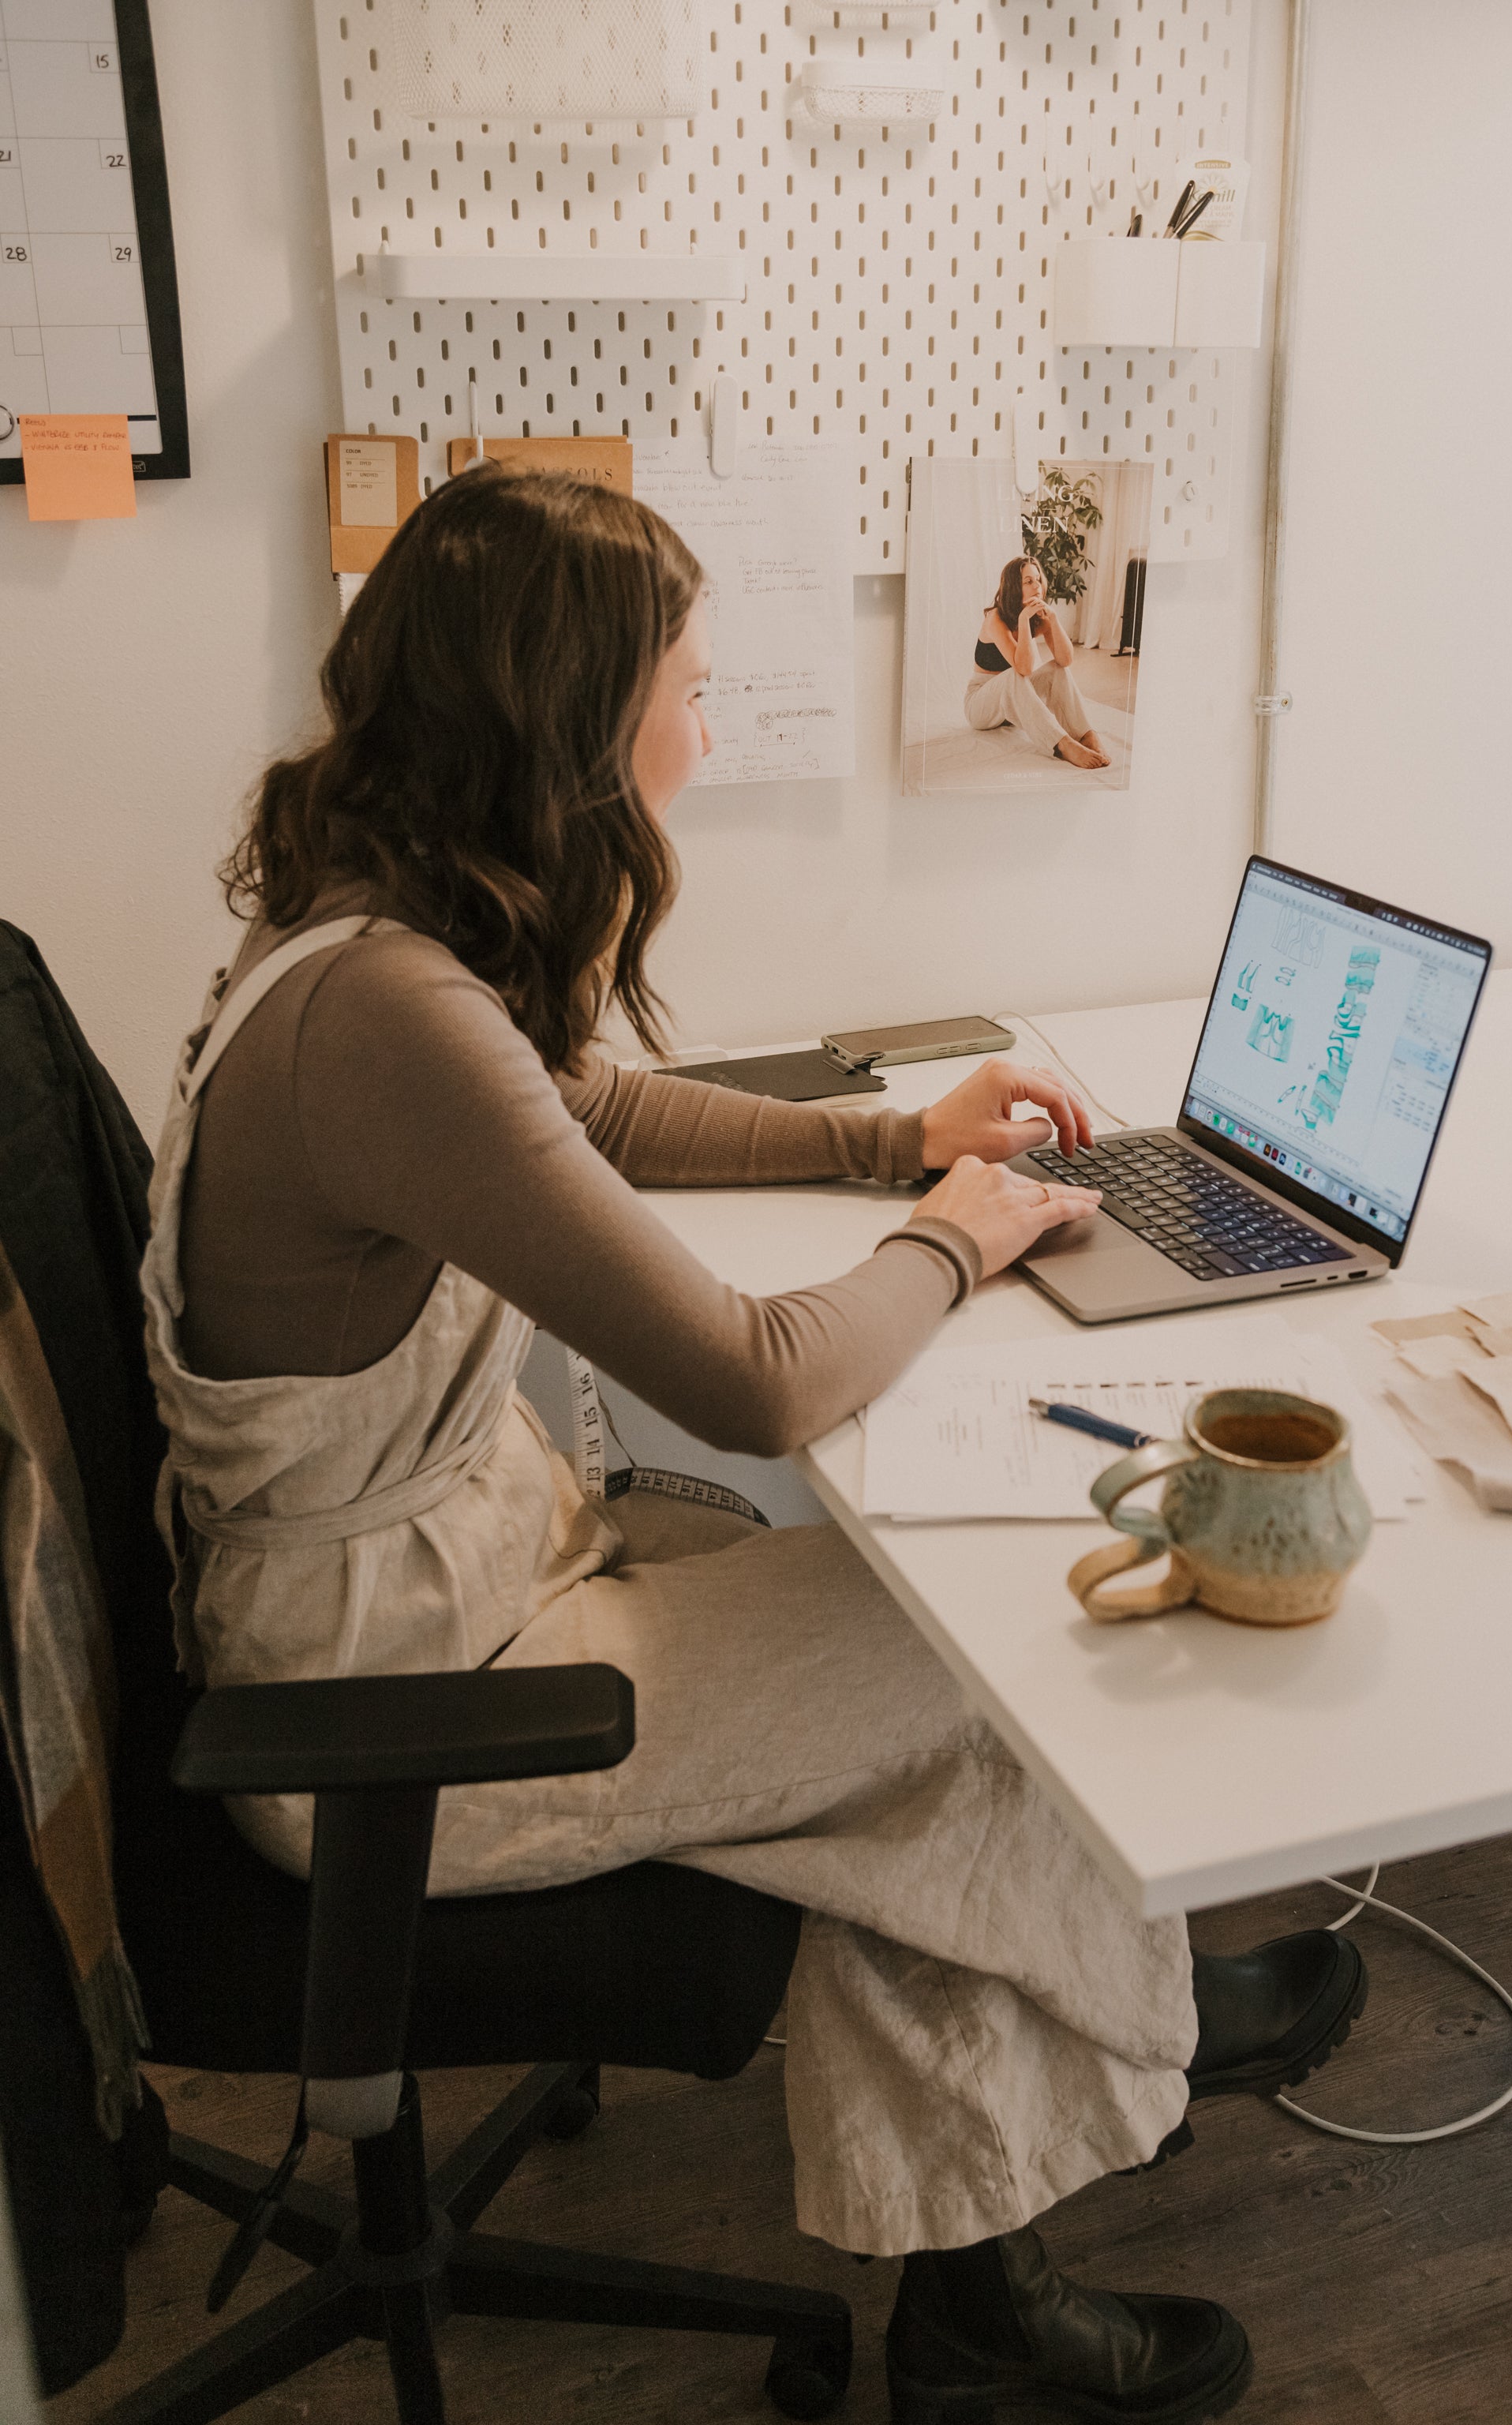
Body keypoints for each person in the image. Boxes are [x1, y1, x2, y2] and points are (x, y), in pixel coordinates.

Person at [142, 467, 1366, 2424]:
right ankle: (1053, 2152)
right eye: (691, 694)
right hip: (389, 1717)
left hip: (435, 1594)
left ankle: (1093, 2041)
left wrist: (892, 1139)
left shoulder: (365, 930)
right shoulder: (386, 1017)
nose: (706, 739)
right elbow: (760, 1381)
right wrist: (955, 1237)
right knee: (963, 1673)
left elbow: (592, 1111)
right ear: (571, 723)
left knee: (907, 1668)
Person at [968, 556, 1112, 771]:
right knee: (1013, 675)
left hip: (1013, 707)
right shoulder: (995, 619)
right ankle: (1062, 744)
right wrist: (1023, 620)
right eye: (1028, 581)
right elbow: (1024, 668)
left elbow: (1065, 660)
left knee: (1056, 669)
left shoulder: (1040, 617)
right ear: (1014, 587)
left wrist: (1053, 619)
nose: (1037, 586)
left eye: (1038, 580)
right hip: (981, 707)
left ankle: (1085, 734)